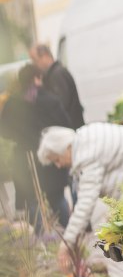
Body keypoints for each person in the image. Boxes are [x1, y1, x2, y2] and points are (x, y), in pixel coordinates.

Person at [37, 123, 123, 277]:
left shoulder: (87, 152)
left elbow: (85, 203)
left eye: (57, 159)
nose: (59, 165)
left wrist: (66, 243)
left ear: (65, 147)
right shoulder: (87, 136)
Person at [0, 64, 71, 228]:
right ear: (36, 78)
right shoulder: (50, 100)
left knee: (31, 200)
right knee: (56, 197)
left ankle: (40, 236)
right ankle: (69, 233)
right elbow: (65, 126)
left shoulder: (12, 103)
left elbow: (4, 131)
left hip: (25, 157)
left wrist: (20, 136)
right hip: (50, 156)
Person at [29, 43, 84, 127]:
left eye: (35, 60)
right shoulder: (54, 73)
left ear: (45, 56)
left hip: (69, 128)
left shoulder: (57, 74)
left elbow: (61, 104)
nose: (34, 64)